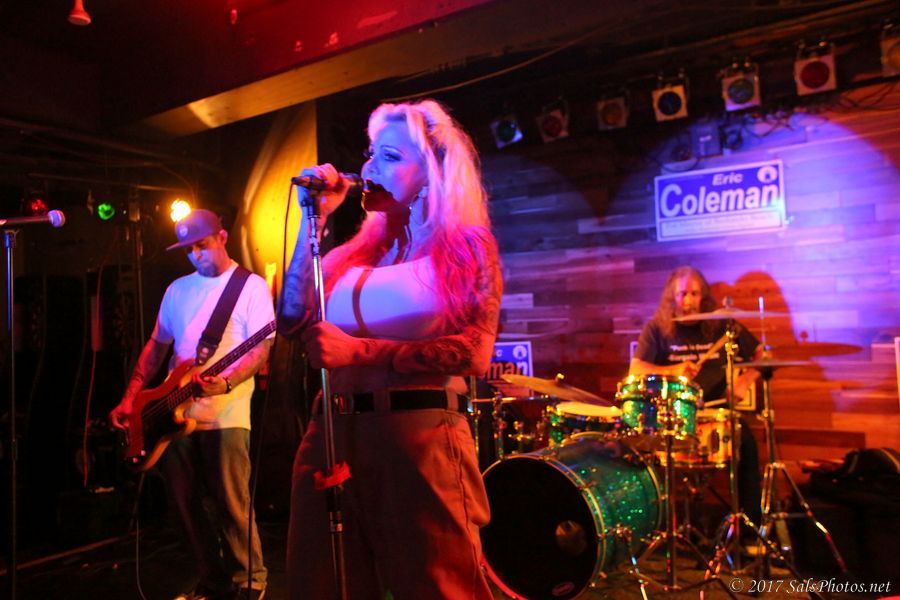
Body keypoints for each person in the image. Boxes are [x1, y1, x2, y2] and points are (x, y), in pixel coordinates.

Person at [278, 99, 502, 599]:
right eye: (371, 154)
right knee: (322, 583)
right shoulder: (352, 253)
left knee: (437, 585)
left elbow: (474, 351)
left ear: (432, 173)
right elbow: (292, 318)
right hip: (331, 432)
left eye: (391, 156)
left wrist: (360, 353)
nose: (369, 169)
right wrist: (314, 221)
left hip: (418, 437)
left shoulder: (466, 246)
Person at [109, 209, 274, 600]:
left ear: (222, 237)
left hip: (227, 413)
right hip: (172, 415)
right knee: (183, 505)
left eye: (202, 245)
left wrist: (227, 381)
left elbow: (261, 348)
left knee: (231, 502)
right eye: (189, 250)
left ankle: (249, 582)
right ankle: (211, 580)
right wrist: (131, 398)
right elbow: (156, 347)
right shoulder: (177, 290)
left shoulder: (249, 287)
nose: (196, 255)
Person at [629, 265, 763, 529]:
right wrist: (673, 370)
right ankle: (653, 526)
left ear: (703, 297)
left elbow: (763, 355)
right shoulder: (657, 328)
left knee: (747, 447)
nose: (688, 301)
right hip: (672, 417)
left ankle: (749, 530)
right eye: (682, 294)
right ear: (672, 296)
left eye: (694, 294)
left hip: (716, 413)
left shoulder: (722, 325)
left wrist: (744, 380)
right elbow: (636, 369)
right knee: (637, 449)